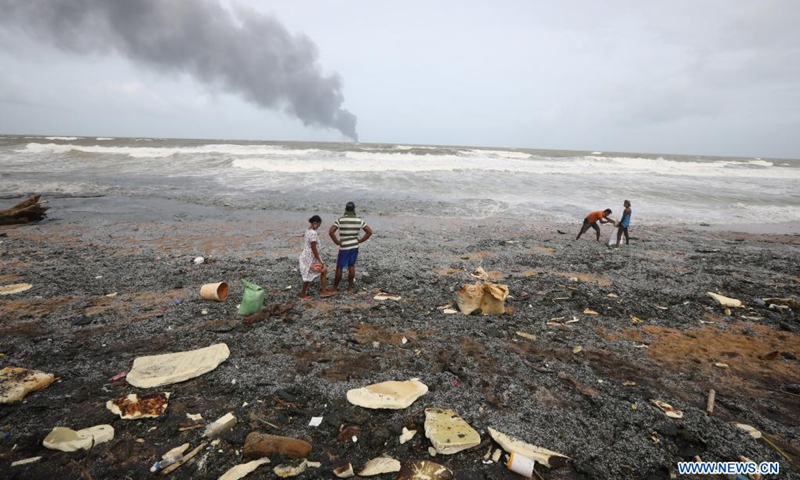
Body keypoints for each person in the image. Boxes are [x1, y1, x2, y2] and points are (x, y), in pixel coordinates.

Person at [329, 201, 373, 292]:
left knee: (339, 267)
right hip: (354, 246)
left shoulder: (340, 220)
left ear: (345, 209)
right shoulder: (359, 220)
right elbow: (369, 232)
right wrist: (360, 240)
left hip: (344, 246)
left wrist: (337, 242)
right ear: (354, 209)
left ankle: (335, 287)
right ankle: (349, 287)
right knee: (351, 266)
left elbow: (331, 232)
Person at [298, 215, 336, 300]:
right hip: (311, 257)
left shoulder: (308, 230)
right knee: (320, 271)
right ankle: (318, 292)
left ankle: (318, 291)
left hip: (306, 255)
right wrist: (319, 260)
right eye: (318, 224)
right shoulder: (313, 233)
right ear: (315, 223)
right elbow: (313, 248)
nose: (318, 226)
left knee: (313, 273)